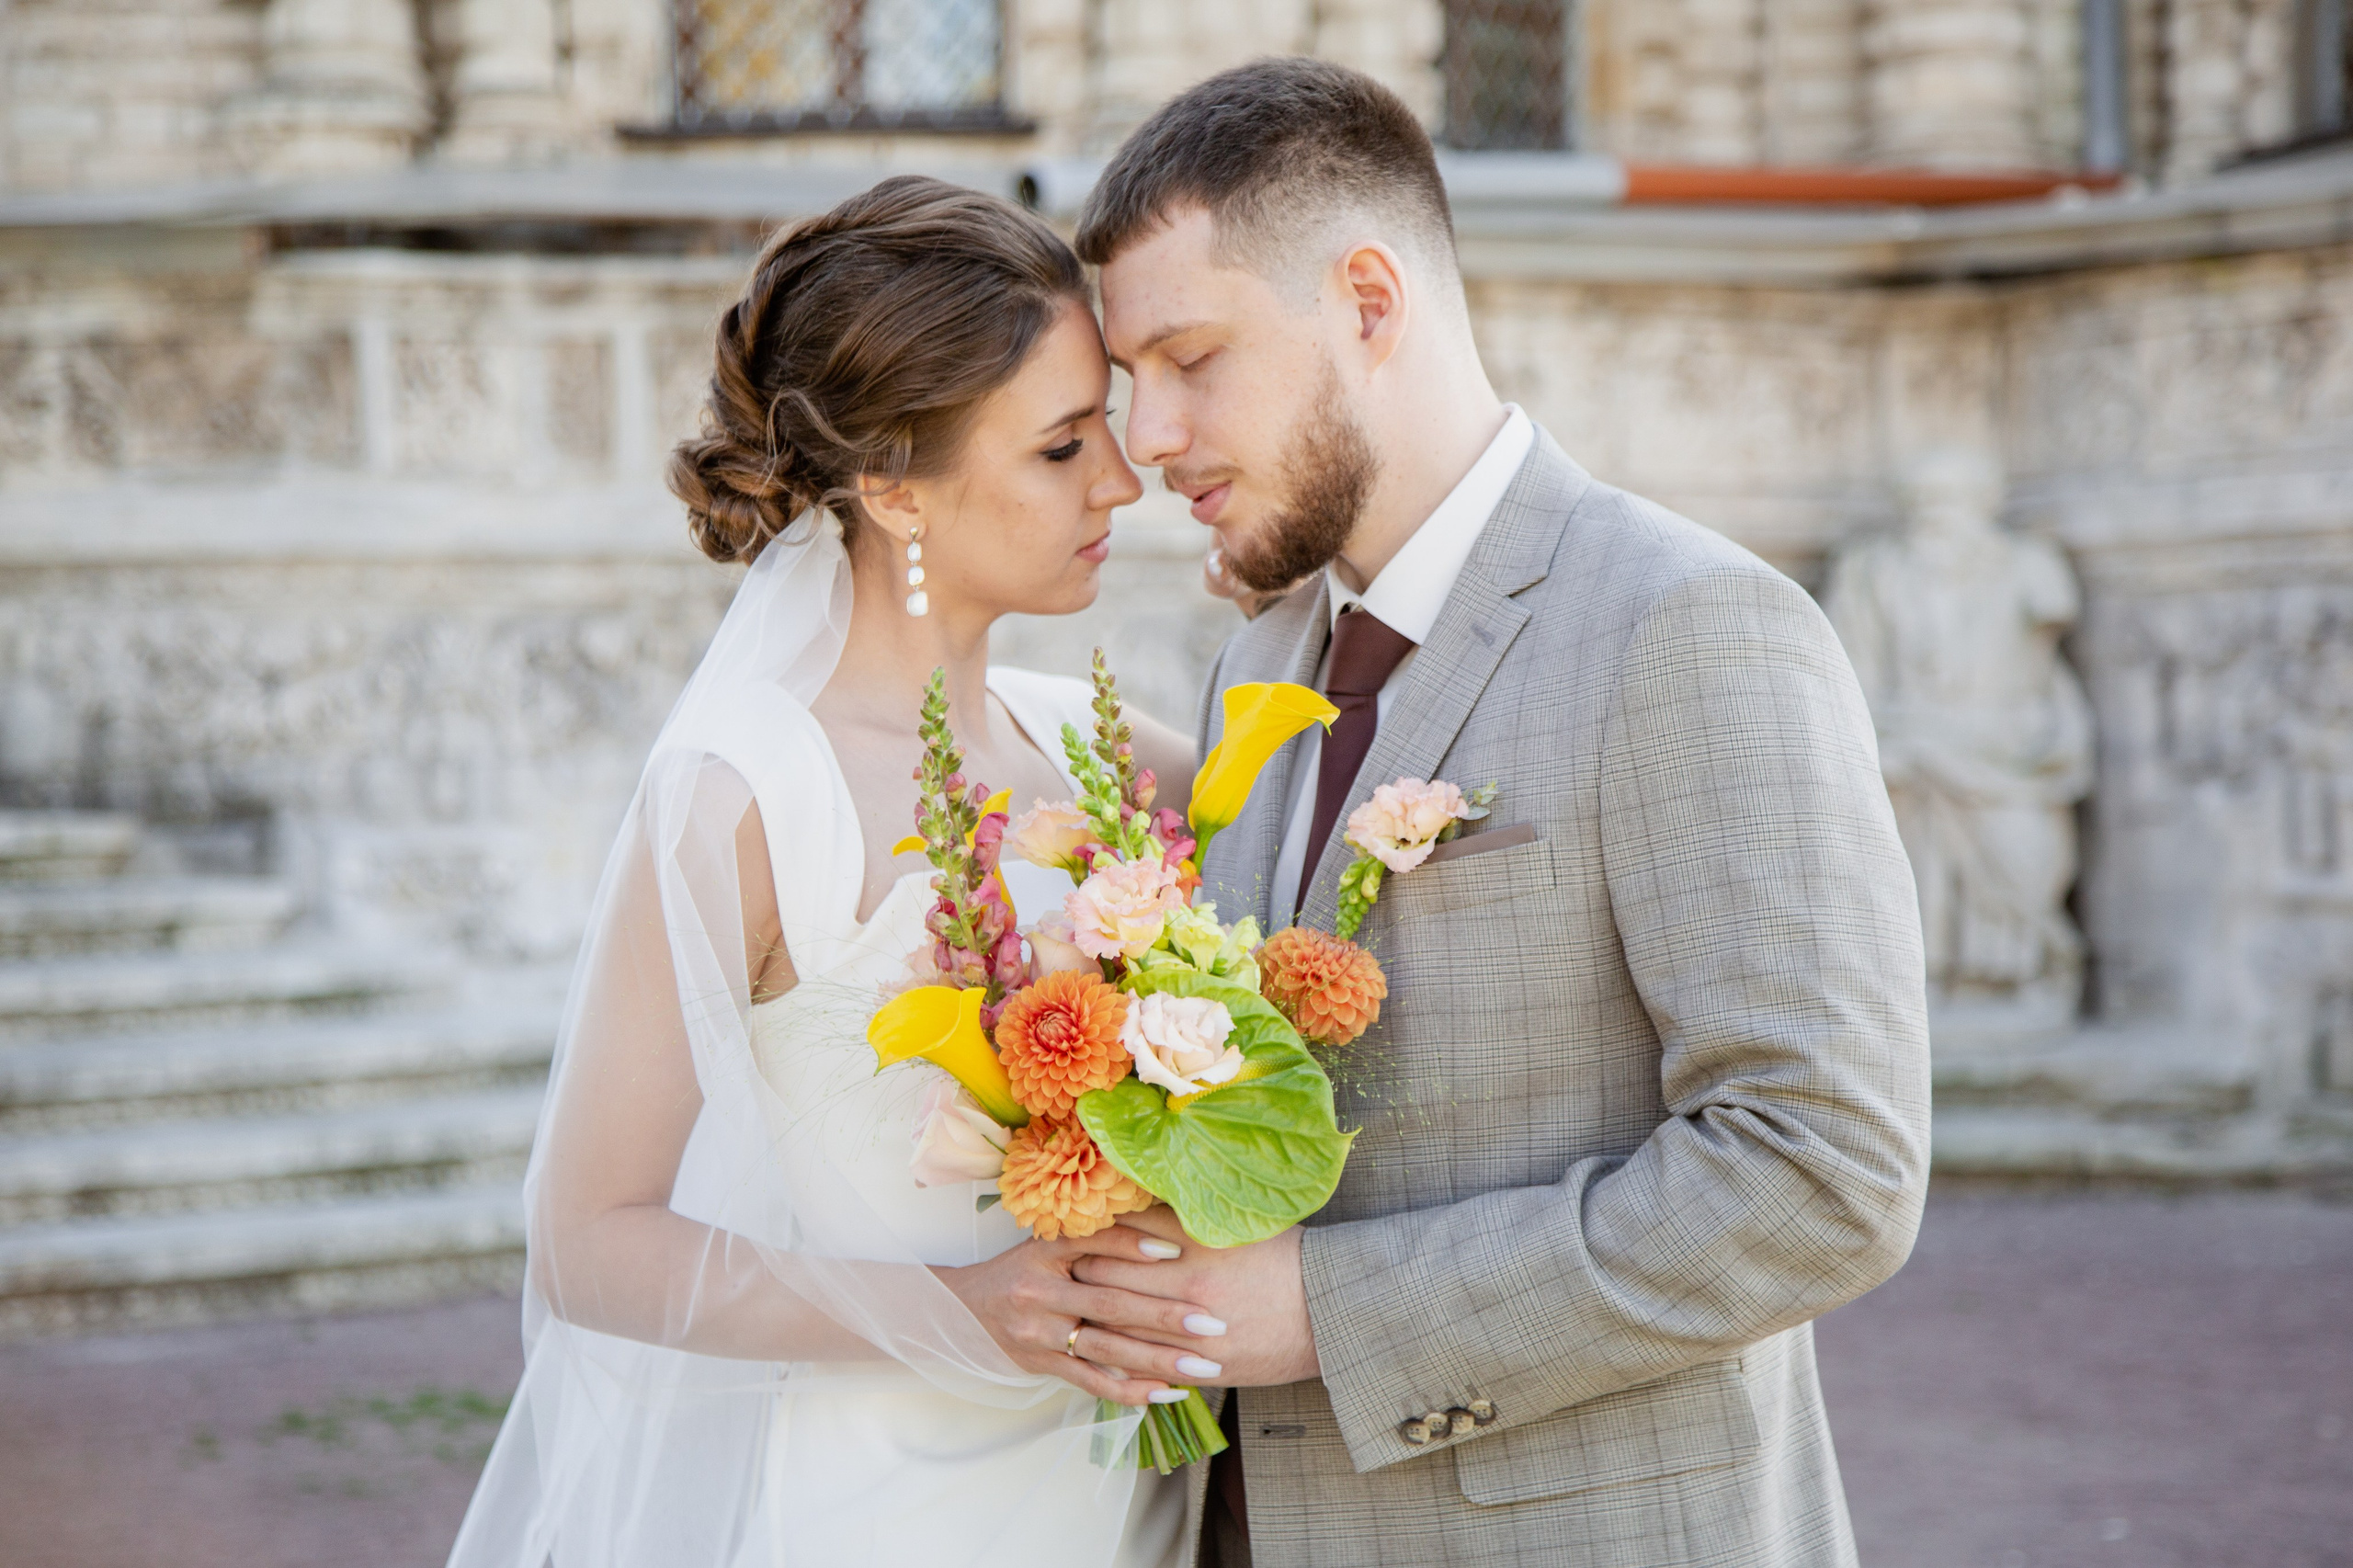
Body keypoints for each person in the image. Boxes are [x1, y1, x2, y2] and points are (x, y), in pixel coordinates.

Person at [1067, 59, 1934, 1568]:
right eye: (1129, 377)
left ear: (1370, 301)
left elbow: (1823, 1170)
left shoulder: (1691, 624)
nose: (1148, 434)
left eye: (1191, 357)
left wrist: (1329, 1314)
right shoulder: (1257, 660)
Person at [446, 176, 1228, 1568]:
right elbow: (587, 1237)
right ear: (891, 487)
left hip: (1128, 1500)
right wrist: (964, 1306)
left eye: (1105, 422)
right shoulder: (745, 791)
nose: (1123, 476)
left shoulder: (1109, 752)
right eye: (1062, 445)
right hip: (891, 1513)